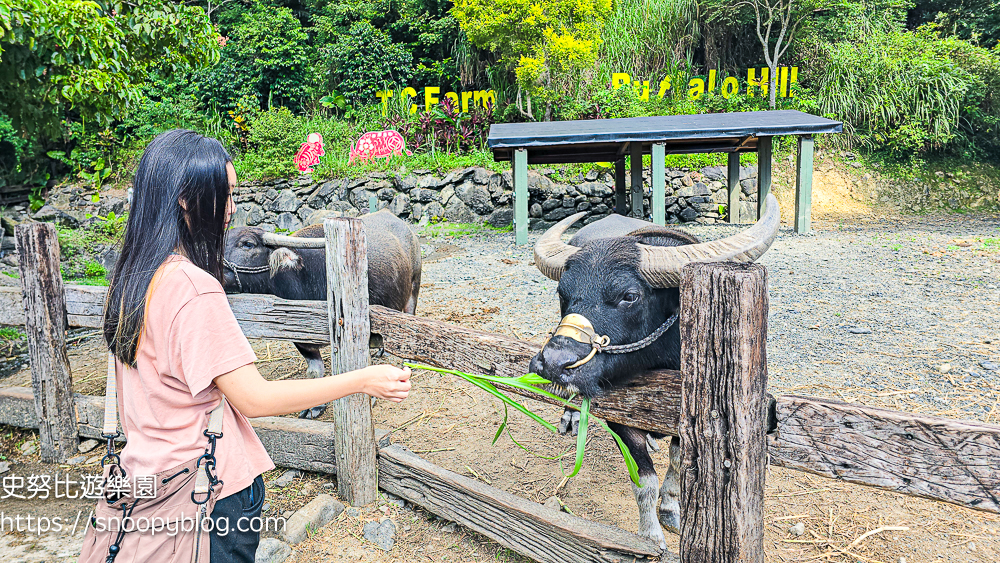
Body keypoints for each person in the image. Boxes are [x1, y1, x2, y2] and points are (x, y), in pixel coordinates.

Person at [101, 129, 412, 561]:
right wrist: (361, 379)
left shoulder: (130, 278)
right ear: (186, 199)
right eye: (223, 195)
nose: (230, 210)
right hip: (207, 493)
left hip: (143, 483)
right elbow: (256, 398)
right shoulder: (193, 287)